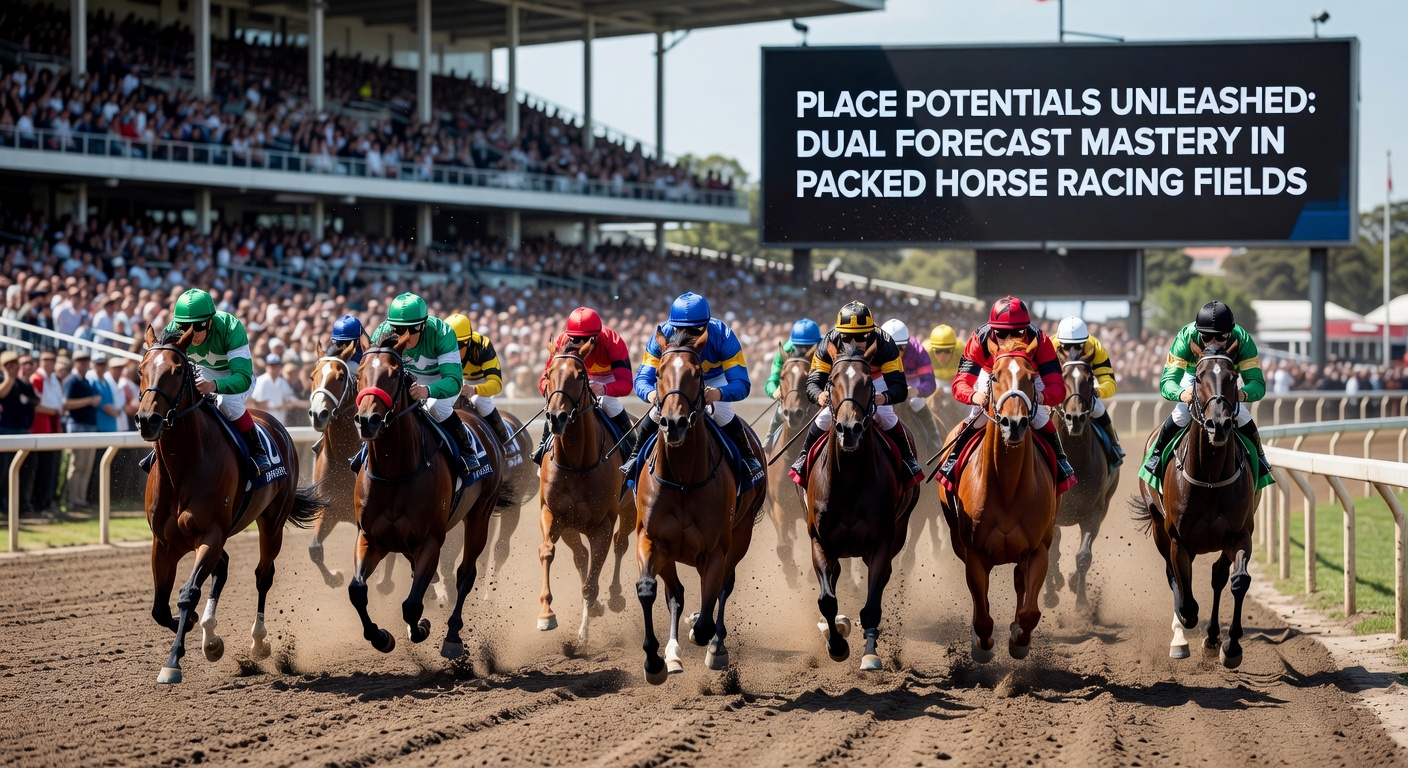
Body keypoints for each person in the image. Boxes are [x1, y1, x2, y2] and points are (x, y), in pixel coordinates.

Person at [621, 292, 763, 478]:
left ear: (706, 326)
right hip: (677, 381)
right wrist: (651, 394)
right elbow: (642, 380)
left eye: (695, 331)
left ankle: (748, 458)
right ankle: (634, 457)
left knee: (722, 411)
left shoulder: (723, 335)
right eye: (680, 329)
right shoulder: (661, 336)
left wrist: (719, 394)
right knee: (656, 413)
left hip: (714, 380)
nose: (687, 336)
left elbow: (741, 383)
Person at [940, 295, 1074, 485]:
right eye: (1001, 334)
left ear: (1026, 328)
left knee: (1040, 417)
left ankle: (1061, 461)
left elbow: (1057, 385)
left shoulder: (1040, 339)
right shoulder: (979, 337)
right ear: (993, 329)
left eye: (1018, 332)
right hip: (993, 373)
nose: (1009, 338)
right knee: (977, 418)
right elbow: (960, 381)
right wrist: (974, 395)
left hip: (1027, 376)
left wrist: (1043, 396)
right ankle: (953, 459)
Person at [788, 302, 923, 479]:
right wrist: (819, 395)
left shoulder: (885, 342)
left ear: (871, 333)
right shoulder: (829, 341)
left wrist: (884, 397)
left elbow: (898, 386)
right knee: (823, 418)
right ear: (839, 334)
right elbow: (814, 380)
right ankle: (804, 457)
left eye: (860, 337)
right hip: (842, 380)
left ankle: (908, 460)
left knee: (887, 417)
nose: (853, 342)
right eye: (846, 337)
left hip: (875, 379)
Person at [1143, 300, 1268, 476]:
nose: (1213, 342)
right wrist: (1181, 393)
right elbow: (1167, 381)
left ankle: (1261, 458)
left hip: (1226, 379)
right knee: (1181, 414)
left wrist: (1242, 394)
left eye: (1221, 337)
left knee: (1242, 415)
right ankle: (1156, 455)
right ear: (1198, 331)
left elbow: (1257, 383)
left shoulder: (1242, 339)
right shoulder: (1186, 336)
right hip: (1196, 377)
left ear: (1230, 333)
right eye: (1206, 337)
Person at [163, 288, 271, 473]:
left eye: (198, 326)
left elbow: (243, 378)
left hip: (233, 376)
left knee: (226, 401)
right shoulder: (173, 329)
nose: (192, 333)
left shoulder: (230, 327)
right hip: (201, 372)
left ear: (210, 321)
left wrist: (214, 386)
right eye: (185, 327)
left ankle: (257, 451)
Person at [370, 293, 479, 476]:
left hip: (439, 380)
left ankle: (467, 451)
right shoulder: (382, 332)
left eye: (411, 329)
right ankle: (364, 454)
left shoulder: (441, 333)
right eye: (397, 329)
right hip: (404, 378)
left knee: (436, 408)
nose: (404, 336)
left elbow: (453, 381)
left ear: (423, 324)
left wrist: (427, 391)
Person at [531, 306, 635, 464]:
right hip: (573, 382)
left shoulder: (612, 341)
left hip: (606, 381)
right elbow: (544, 380)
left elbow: (626, 384)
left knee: (609, 402)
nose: (577, 344)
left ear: (596, 336)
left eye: (584, 339)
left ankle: (632, 450)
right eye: (573, 338)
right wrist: (552, 393)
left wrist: (603, 388)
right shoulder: (562, 341)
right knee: (555, 405)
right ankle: (543, 448)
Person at [1053, 317, 1124, 461]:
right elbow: (1037, 375)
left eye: (1078, 345)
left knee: (1099, 409)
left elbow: (1108, 381)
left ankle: (1113, 445)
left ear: (1085, 342)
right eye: (1066, 346)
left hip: (1083, 391)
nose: (1072, 350)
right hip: (1057, 390)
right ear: (1060, 343)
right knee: (1037, 417)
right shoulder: (1049, 346)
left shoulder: (1095, 347)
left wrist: (1097, 391)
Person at [444, 313, 512, 446]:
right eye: (448, 344)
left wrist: (474, 390)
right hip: (456, 380)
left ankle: (505, 442)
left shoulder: (483, 346)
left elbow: (496, 384)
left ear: (468, 342)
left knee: (479, 401)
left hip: (480, 382)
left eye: (457, 346)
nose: (451, 351)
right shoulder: (440, 346)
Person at [881, 318, 944, 452]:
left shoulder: (918, 351)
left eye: (900, 348)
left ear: (907, 344)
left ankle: (934, 440)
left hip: (911, 387)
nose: (896, 353)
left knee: (917, 402)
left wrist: (917, 391)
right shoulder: (876, 350)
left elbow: (930, 382)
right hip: (886, 387)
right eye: (892, 348)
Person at [762, 318, 822, 448]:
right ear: (793, 344)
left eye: (809, 347)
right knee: (779, 413)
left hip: (818, 392)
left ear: (817, 344)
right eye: (800, 347)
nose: (804, 350)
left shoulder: (825, 349)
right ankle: (766, 446)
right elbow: (772, 380)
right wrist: (774, 391)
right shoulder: (785, 351)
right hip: (794, 395)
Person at [62, 349, 103, 509]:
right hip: (77, 425)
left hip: (89, 426)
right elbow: (66, 403)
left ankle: (81, 498)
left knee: (86, 465)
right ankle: (73, 499)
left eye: (86, 361)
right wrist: (89, 401)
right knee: (77, 464)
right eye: (81, 360)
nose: (85, 363)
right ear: (75, 362)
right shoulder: (72, 381)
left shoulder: (86, 381)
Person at [0, 351, 38, 518]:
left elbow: (36, 400)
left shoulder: (22, 384)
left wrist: (26, 400)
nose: (13, 367)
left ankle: (21, 505)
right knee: (5, 472)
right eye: (9, 365)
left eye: (15, 364)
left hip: (23, 432)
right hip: (7, 434)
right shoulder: (4, 380)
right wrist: (9, 378)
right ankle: (4, 505)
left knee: (25, 471)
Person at [29, 349, 63, 516]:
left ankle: (46, 502)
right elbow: (36, 406)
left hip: (52, 428)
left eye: (51, 359)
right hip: (41, 428)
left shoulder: (53, 379)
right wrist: (54, 411)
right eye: (45, 359)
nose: (49, 362)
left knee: (50, 468)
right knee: (42, 469)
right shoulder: (37, 378)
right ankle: (39, 503)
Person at [250, 353, 301, 425]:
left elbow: (291, 399)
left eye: (276, 365)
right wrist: (281, 406)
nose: (273, 368)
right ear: (266, 367)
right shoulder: (261, 382)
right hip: (264, 423)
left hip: (280, 423)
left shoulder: (282, 382)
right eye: (271, 365)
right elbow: (257, 404)